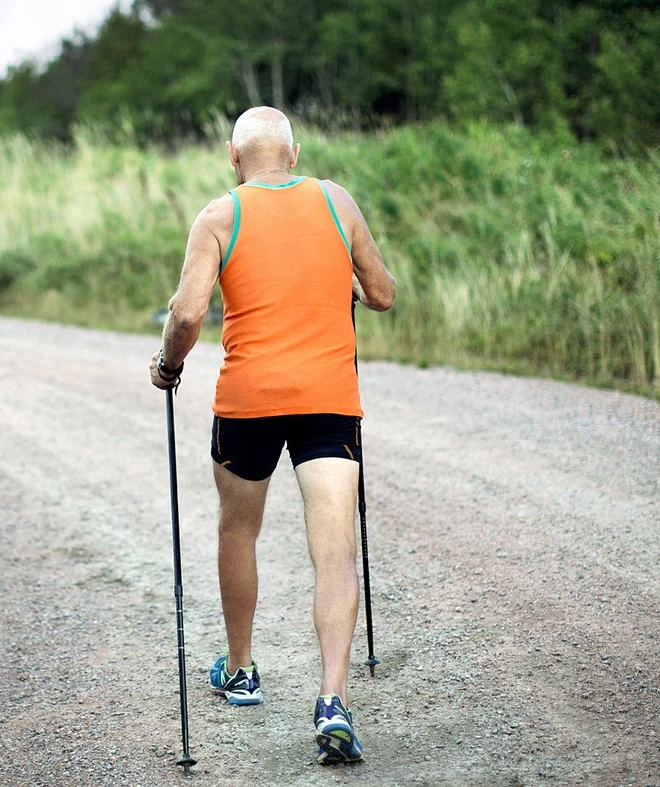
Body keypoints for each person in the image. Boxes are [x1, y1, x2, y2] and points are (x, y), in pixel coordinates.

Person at [148, 106, 396, 765]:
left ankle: (242, 669)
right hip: (327, 399)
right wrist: (347, 279)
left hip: (250, 400)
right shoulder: (336, 202)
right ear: (294, 152)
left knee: (238, 529)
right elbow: (383, 294)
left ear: (234, 158)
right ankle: (334, 701)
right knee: (335, 548)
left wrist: (168, 364)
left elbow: (189, 313)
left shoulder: (217, 216)